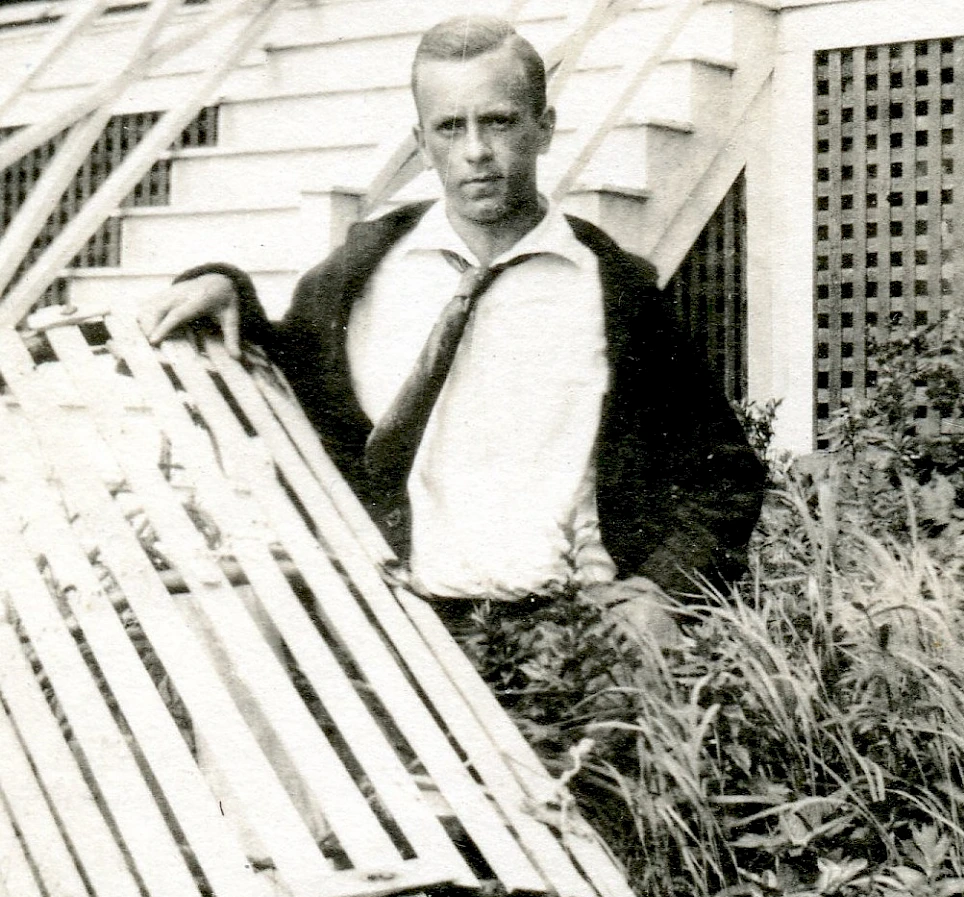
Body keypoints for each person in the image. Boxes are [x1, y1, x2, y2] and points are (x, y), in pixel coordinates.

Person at [138, 15, 766, 646]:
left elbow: (724, 473)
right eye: (450, 126)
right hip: (407, 635)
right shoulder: (364, 270)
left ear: (543, 128)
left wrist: (661, 589)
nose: (476, 152)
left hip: (574, 638)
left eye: (498, 121)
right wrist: (223, 283)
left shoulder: (615, 293)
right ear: (421, 140)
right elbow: (291, 377)